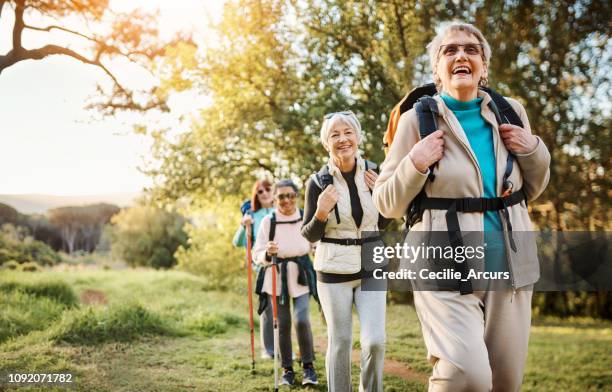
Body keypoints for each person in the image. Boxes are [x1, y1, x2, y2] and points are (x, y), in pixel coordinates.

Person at [373, 22, 550, 392]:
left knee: (504, 382)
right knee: (465, 376)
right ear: (437, 69)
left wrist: (533, 150)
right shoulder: (414, 121)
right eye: (449, 50)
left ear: (484, 66)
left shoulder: (510, 111)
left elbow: (532, 189)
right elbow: (387, 203)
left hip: (510, 265)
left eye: (471, 50)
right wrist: (415, 162)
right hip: (442, 261)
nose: (461, 56)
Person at [301, 111, 392, 392]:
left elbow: (382, 222)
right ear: (326, 143)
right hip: (333, 270)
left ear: (358, 137)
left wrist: (383, 197)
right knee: (339, 343)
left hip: (371, 265)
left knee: (374, 341)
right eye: (335, 135)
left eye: (348, 132)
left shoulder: (375, 171)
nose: (343, 139)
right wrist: (321, 212)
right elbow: (309, 234)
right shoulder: (317, 182)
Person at [252, 179, 319, 386]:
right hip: (277, 275)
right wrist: (267, 252)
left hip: (301, 274)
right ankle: (287, 370)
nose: (286, 200)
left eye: (290, 195)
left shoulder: (306, 217)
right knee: (283, 324)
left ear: (296, 196)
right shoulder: (268, 221)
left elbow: (316, 244)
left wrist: (318, 252)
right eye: (281, 196)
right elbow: (256, 254)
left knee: (301, 319)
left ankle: (308, 367)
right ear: (275, 198)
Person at [232, 179, 275, 359]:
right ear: (256, 195)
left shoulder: (280, 212)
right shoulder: (251, 215)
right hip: (262, 267)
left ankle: (285, 348)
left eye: (267, 189)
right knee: (268, 309)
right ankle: (268, 349)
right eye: (260, 191)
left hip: (284, 265)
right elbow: (238, 242)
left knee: (283, 310)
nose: (264, 193)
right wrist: (244, 226)